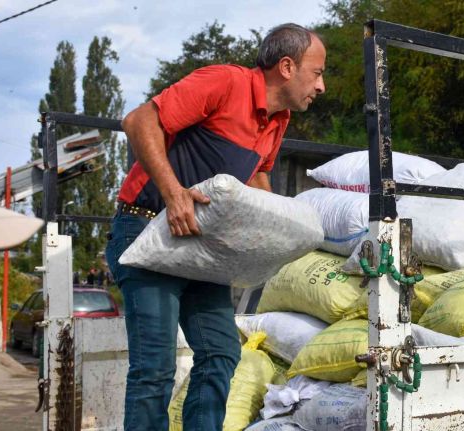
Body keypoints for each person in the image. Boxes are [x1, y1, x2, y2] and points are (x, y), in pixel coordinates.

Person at [105, 23, 325, 431]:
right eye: (317, 73)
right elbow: (138, 121)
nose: (321, 85)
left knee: (221, 352)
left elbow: (257, 179)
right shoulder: (225, 82)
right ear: (287, 67)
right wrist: (173, 193)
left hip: (199, 249)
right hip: (146, 231)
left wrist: (283, 230)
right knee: (154, 368)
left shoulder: (278, 119)